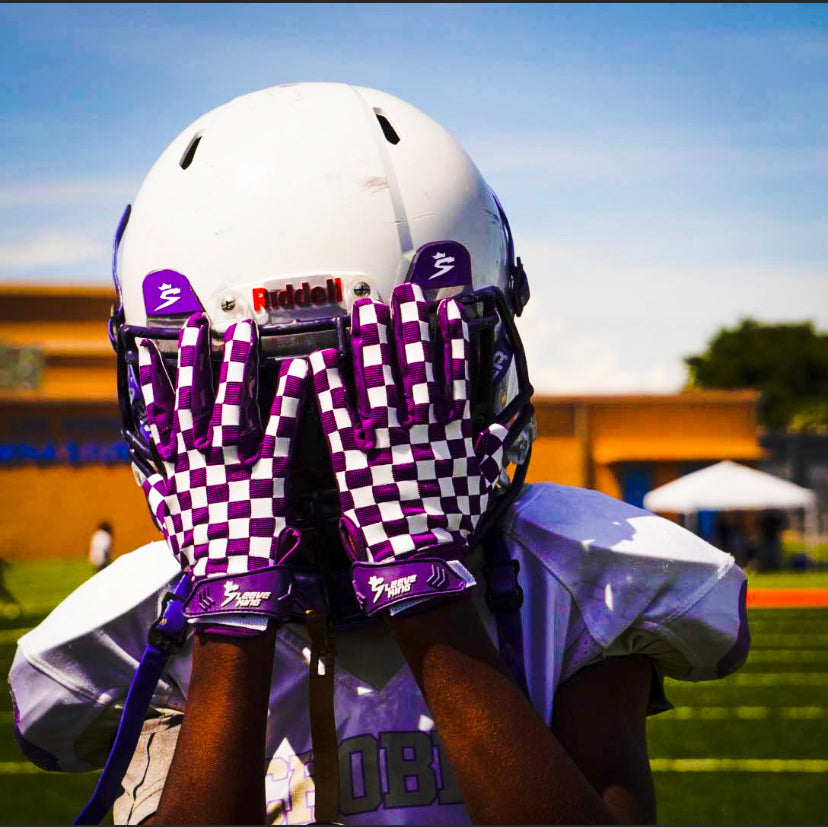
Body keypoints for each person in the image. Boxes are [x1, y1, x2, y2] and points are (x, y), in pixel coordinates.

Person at [8, 83, 750, 825]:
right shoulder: (147, 623)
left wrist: (425, 590)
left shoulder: (567, 579)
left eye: (381, 382)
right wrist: (230, 613)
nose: (317, 442)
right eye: (261, 394)